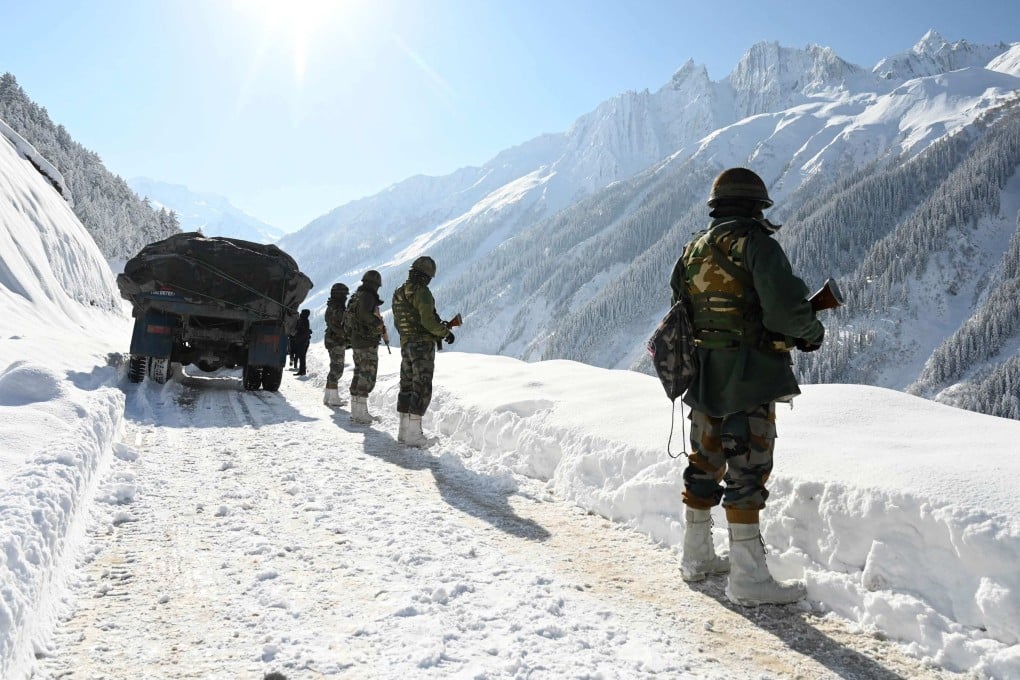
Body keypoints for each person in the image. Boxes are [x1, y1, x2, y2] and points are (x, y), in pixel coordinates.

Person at [672, 167, 824, 606]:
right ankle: (749, 579)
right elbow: (784, 311)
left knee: (703, 463)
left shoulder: (692, 250)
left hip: (704, 376)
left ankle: (696, 557)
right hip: (750, 377)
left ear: (716, 207)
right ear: (757, 207)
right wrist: (811, 332)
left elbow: (680, 309)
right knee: (748, 471)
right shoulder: (758, 245)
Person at [391, 255, 455, 446]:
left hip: (406, 344)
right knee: (421, 385)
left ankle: (403, 431)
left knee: (407, 384)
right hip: (422, 346)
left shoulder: (399, 291)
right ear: (426, 276)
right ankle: (414, 435)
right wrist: (445, 332)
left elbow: (398, 322)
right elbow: (428, 321)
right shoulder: (422, 292)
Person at [346, 270, 388, 423]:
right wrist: (378, 323)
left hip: (357, 340)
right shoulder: (368, 296)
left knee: (359, 373)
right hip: (366, 342)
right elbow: (364, 314)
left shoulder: (357, 295)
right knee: (367, 375)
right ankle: (361, 414)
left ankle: (356, 411)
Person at [322, 283, 349, 406]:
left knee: (334, 367)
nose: (345, 297)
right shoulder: (337, 308)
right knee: (337, 369)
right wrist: (346, 334)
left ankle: (328, 396)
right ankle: (333, 398)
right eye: (344, 295)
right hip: (336, 340)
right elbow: (338, 325)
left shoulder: (332, 305)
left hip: (332, 339)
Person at [292, 308, 312, 376]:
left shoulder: (302, 320)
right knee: (302, 357)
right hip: (303, 341)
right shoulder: (304, 320)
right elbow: (304, 331)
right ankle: (302, 371)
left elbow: (301, 331)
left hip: (301, 341)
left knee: (301, 357)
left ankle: (302, 371)